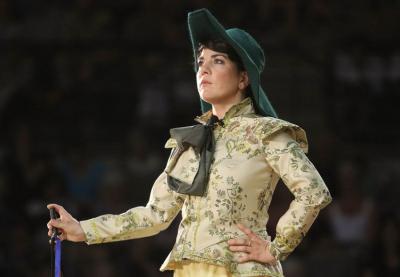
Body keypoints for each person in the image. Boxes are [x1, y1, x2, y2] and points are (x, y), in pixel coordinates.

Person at [47, 8, 332, 277]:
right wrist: (83, 230)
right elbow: (155, 215)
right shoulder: (192, 139)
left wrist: (276, 248)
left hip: (242, 270)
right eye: (200, 62)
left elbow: (313, 192)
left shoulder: (266, 132)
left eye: (217, 61)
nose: (203, 70)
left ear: (244, 77)